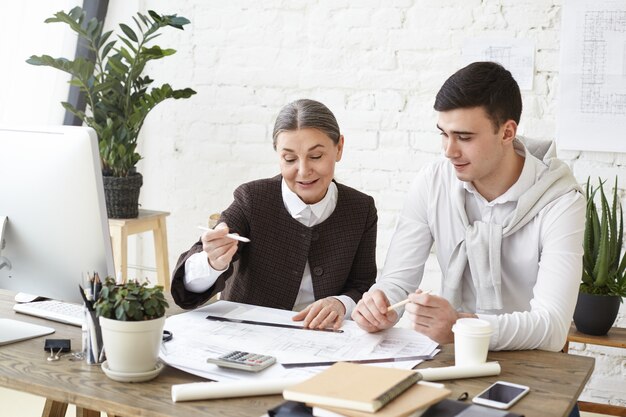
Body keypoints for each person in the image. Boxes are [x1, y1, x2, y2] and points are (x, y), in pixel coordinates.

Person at [352, 62, 585, 353]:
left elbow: (552, 326)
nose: (449, 151)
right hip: (450, 355)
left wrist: (461, 326)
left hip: (532, 363)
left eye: (464, 137)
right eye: (443, 134)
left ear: (507, 132)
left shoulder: (560, 201)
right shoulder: (433, 181)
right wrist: (379, 305)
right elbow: (398, 281)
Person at [171, 99, 378, 330]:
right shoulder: (252, 199)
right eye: (289, 159)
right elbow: (186, 288)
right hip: (248, 334)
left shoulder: (361, 208)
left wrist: (340, 303)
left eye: (316, 156)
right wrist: (212, 262)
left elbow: (362, 284)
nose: (303, 171)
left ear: (339, 148)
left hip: (324, 338)